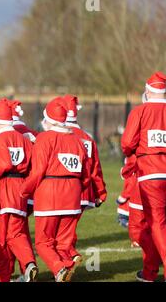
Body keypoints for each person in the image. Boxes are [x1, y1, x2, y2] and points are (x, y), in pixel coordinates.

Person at [20, 97, 90, 282]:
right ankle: (64, 270)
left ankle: (59, 269)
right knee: (63, 243)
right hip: (73, 195)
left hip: (50, 194)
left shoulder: (45, 138)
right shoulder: (78, 141)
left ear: (48, 119)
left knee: (43, 243)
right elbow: (86, 174)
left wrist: (24, 190)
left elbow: (37, 172)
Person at [121, 71, 166, 282]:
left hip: (151, 174)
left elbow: (127, 143)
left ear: (148, 91)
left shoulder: (140, 111)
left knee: (156, 224)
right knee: (158, 226)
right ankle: (149, 272)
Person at [0, 98, 37, 282]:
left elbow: (3, 165)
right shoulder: (22, 139)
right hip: (20, 190)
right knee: (16, 233)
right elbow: (33, 164)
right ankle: (29, 262)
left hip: (3, 190)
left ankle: (2, 277)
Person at [63, 94, 107, 272]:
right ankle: (66, 262)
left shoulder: (59, 136)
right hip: (84, 192)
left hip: (63, 191)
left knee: (60, 233)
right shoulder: (87, 137)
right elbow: (96, 168)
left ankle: (65, 263)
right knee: (68, 229)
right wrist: (100, 192)